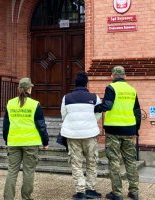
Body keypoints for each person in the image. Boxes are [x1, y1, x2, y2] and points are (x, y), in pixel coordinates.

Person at [94, 66, 141, 200]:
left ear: (112, 76)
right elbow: (137, 111)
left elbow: (108, 105)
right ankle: (134, 191)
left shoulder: (111, 88)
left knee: (114, 161)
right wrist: (136, 129)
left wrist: (96, 108)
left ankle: (117, 193)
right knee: (130, 161)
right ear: (125, 76)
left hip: (113, 130)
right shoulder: (132, 90)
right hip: (129, 129)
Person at [3, 77, 49, 200]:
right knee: (28, 172)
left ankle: (8, 198)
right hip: (31, 142)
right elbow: (41, 125)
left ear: (19, 89)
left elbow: (6, 125)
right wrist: (45, 141)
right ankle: (26, 197)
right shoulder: (35, 104)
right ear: (29, 88)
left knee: (12, 171)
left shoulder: (10, 103)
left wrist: (6, 139)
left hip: (13, 142)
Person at [60, 71, 102, 200]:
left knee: (76, 163)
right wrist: (90, 122)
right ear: (86, 83)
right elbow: (98, 114)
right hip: (90, 134)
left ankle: (80, 191)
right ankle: (91, 189)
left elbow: (63, 115)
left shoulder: (66, 98)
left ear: (75, 83)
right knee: (91, 161)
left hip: (72, 135)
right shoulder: (95, 97)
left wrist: (72, 124)